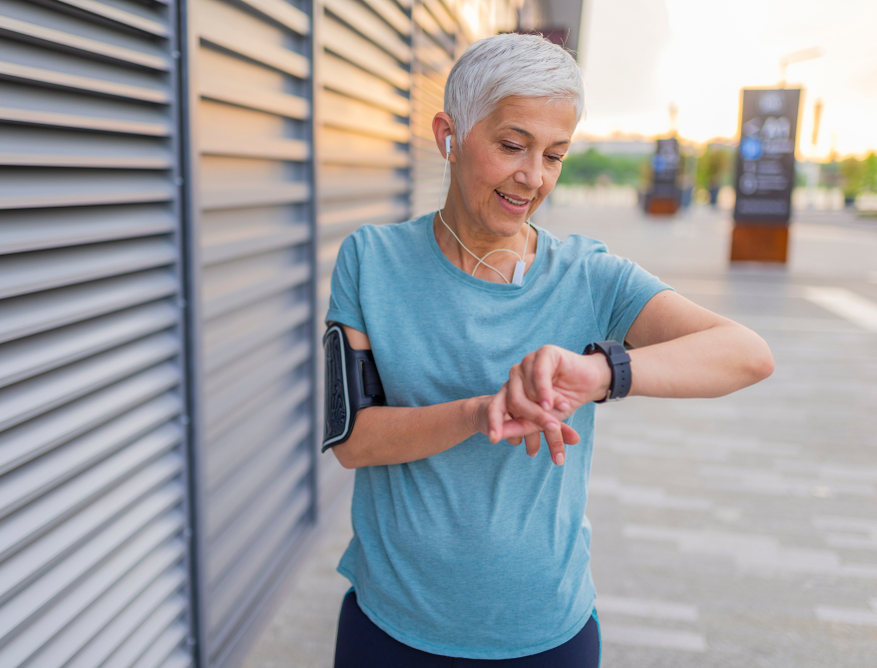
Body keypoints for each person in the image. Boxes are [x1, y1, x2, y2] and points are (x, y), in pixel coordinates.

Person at [324, 33, 774, 667]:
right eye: (512, 146)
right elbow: (353, 441)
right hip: (390, 629)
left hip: (545, 637)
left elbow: (746, 352)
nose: (533, 178)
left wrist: (600, 372)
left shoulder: (591, 276)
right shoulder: (370, 261)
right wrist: (482, 413)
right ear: (448, 134)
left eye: (555, 155)